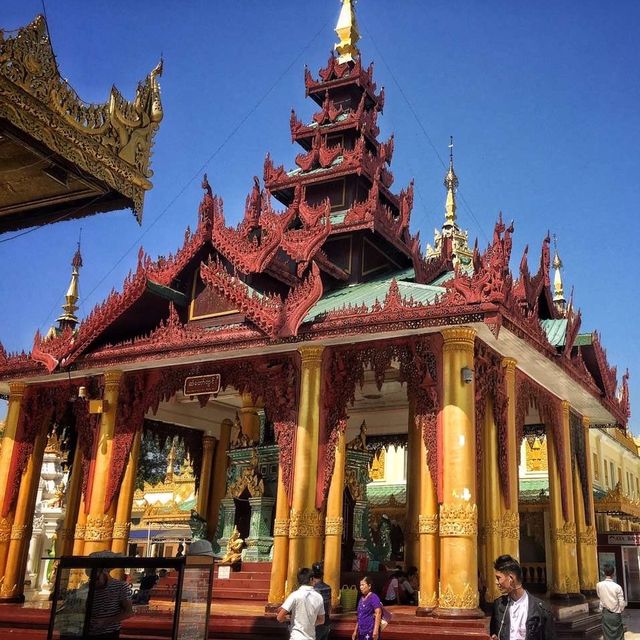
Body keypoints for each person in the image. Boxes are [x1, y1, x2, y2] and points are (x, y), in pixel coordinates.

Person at [59, 550, 133, 640]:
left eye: (97, 578)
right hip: (85, 632)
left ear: (105, 573)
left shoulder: (121, 586)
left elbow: (129, 612)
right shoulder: (86, 587)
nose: (94, 581)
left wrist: (105, 621)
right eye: (91, 578)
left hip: (108, 634)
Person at [489, 554, 555, 640]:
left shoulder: (542, 610)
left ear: (511, 578)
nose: (496, 582)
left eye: (498, 578)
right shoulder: (498, 605)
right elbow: (493, 633)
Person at [277, 567, 325, 640]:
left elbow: (279, 617)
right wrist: (309, 623)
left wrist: (289, 619)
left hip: (296, 636)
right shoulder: (318, 597)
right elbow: (321, 620)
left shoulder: (295, 595)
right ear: (311, 579)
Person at [596, 564, 626, 640]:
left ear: (603, 572)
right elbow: (621, 602)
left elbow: (600, 597)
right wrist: (621, 610)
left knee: (607, 635)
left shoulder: (599, 585)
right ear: (614, 573)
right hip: (616, 614)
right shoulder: (617, 587)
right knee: (618, 635)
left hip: (605, 613)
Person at [353, 576, 382, 640]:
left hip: (370, 631)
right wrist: (355, 631)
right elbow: (359, 616)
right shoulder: (361, 599)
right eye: (360, 585)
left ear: (369, 586)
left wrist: (376, 631)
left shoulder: (373, 597)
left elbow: (378, 613)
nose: (361, 587)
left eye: (363, 585)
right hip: (361, 632)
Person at [311, 562, 331, 640]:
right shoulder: (328, 587)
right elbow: (329, 606)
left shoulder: (313, 589)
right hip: (326, 621)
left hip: (317, 622)